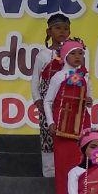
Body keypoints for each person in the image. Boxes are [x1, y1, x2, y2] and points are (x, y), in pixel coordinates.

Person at [43, 39, 92, 194]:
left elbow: (88, 97)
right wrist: (50, 122)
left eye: (81, 53)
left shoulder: (85, 76)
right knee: (63, 161)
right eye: (73, 53)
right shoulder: (58, 77)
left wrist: (89, 101)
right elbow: (48, 101)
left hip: (81, 122)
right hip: (62, 123)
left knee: (81, 159)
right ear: (64, 56)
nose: (78, 56)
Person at [30, 13, 71, 178]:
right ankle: (49, 174)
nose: (62, 31)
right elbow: (35, 80)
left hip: (68, 102)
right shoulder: (43, 55)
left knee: (67, 135)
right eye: (58, 28)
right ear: (49, 31)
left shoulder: (74, 53)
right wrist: (37, 99)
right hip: (48, 102)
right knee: (48, 136)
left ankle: (68, 173)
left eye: (66, 29)